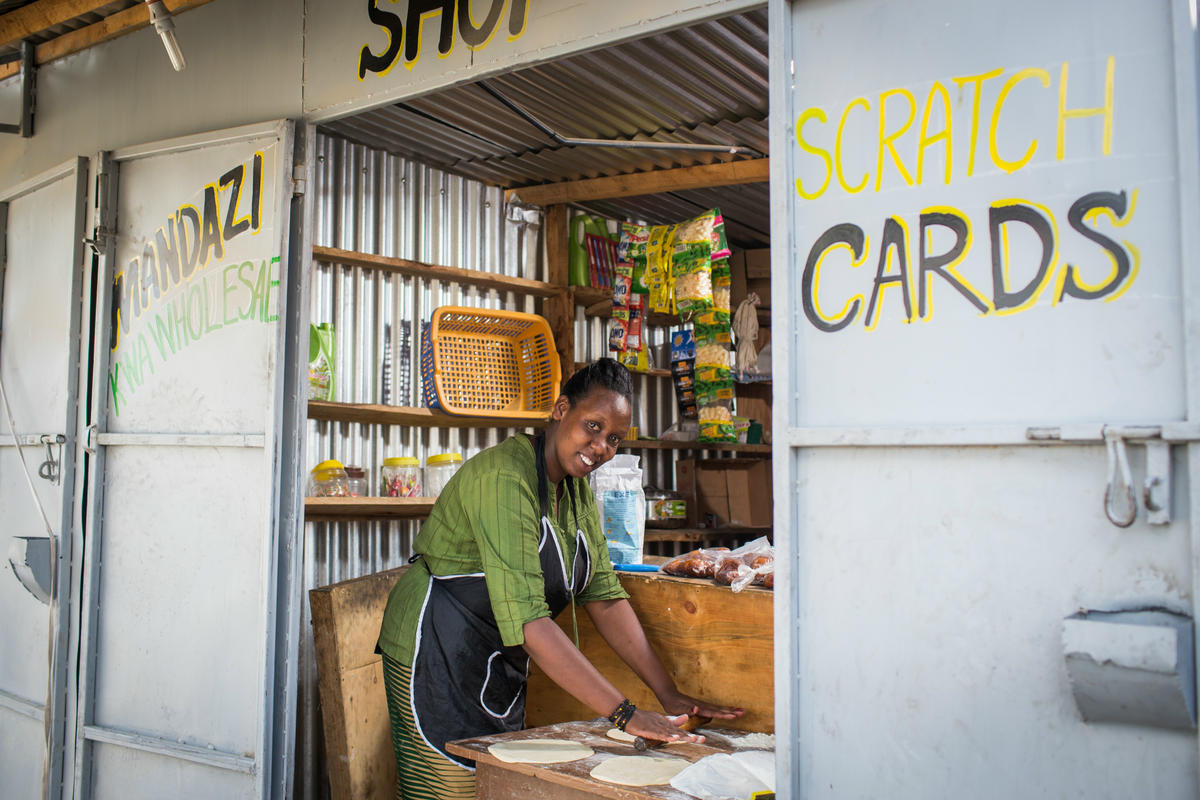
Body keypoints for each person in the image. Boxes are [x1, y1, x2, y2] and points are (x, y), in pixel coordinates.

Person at [376, 357, 743, 799]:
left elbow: (604, 595)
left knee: (493, 786)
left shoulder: (573, 490)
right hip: (433, 647)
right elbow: (530, 623)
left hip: (492, 657)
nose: (601, 447)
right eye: (592, 425)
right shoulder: (504, 479)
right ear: (561, 409)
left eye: (614, 438)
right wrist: (624, 713)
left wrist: (668, 693)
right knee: (449, 788)